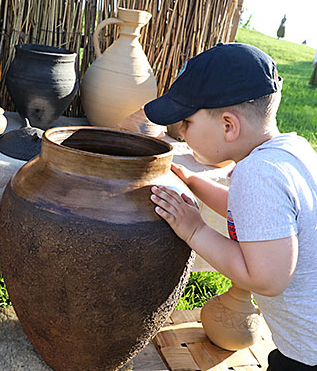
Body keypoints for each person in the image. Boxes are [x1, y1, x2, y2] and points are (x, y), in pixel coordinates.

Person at [121, 43, 317, 369]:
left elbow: (268, 278)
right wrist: (195, 182)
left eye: (186, 124)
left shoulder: (258, 173)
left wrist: (195, 230)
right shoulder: (293, 150)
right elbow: (262, 219)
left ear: (228, 125)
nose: (181, 133)